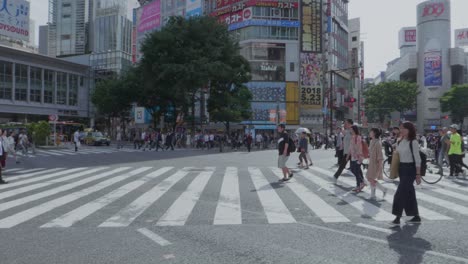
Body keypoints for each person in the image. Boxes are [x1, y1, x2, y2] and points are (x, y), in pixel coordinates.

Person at [391, 121, 422, 225]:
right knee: (409, 193)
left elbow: (417, 159)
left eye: (404, 128)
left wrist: (418, 174)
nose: (402, 130)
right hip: (402, 168)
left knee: (400, 193)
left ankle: (397, 216)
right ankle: (416, 215)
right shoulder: (400, 141)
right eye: (401, 128)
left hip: (410, 169)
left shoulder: (413, 142)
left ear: (410, 130)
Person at [366, 128, 387, 199]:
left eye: (371, 132)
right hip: (371, 162)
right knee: (370, 178)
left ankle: (374, 194)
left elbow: (380, 156)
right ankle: (382, 190)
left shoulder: (378, 143)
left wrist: (380, 167)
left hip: (375, 164)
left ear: (374, 133)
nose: (369, 133)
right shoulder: (372, 141)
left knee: (371, 178)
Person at [333, 119, 353, 183]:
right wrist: (342, 146)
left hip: (351, 152)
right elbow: (344, 135)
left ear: (350, 124)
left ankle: (362, 181)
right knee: (342, 165)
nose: (345, 124)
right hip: (347, 152)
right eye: (344, 123)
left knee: (354, 168)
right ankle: (335, 176)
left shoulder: (352, 130)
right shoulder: (347, 131)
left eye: (346, 123)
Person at [349, 125, 365, 192]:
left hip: (358, 157)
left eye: (351, 130)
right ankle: (362, 182)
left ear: (354, 130)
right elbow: (351, 147)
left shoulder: (358, 137)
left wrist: (358, 157)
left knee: (356, 171)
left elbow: (359, 147)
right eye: (350, 130)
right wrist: (348, 156)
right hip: (353, 156)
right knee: (353, 169)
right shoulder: (352, 137)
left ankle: (358, 186)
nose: (351, 131)